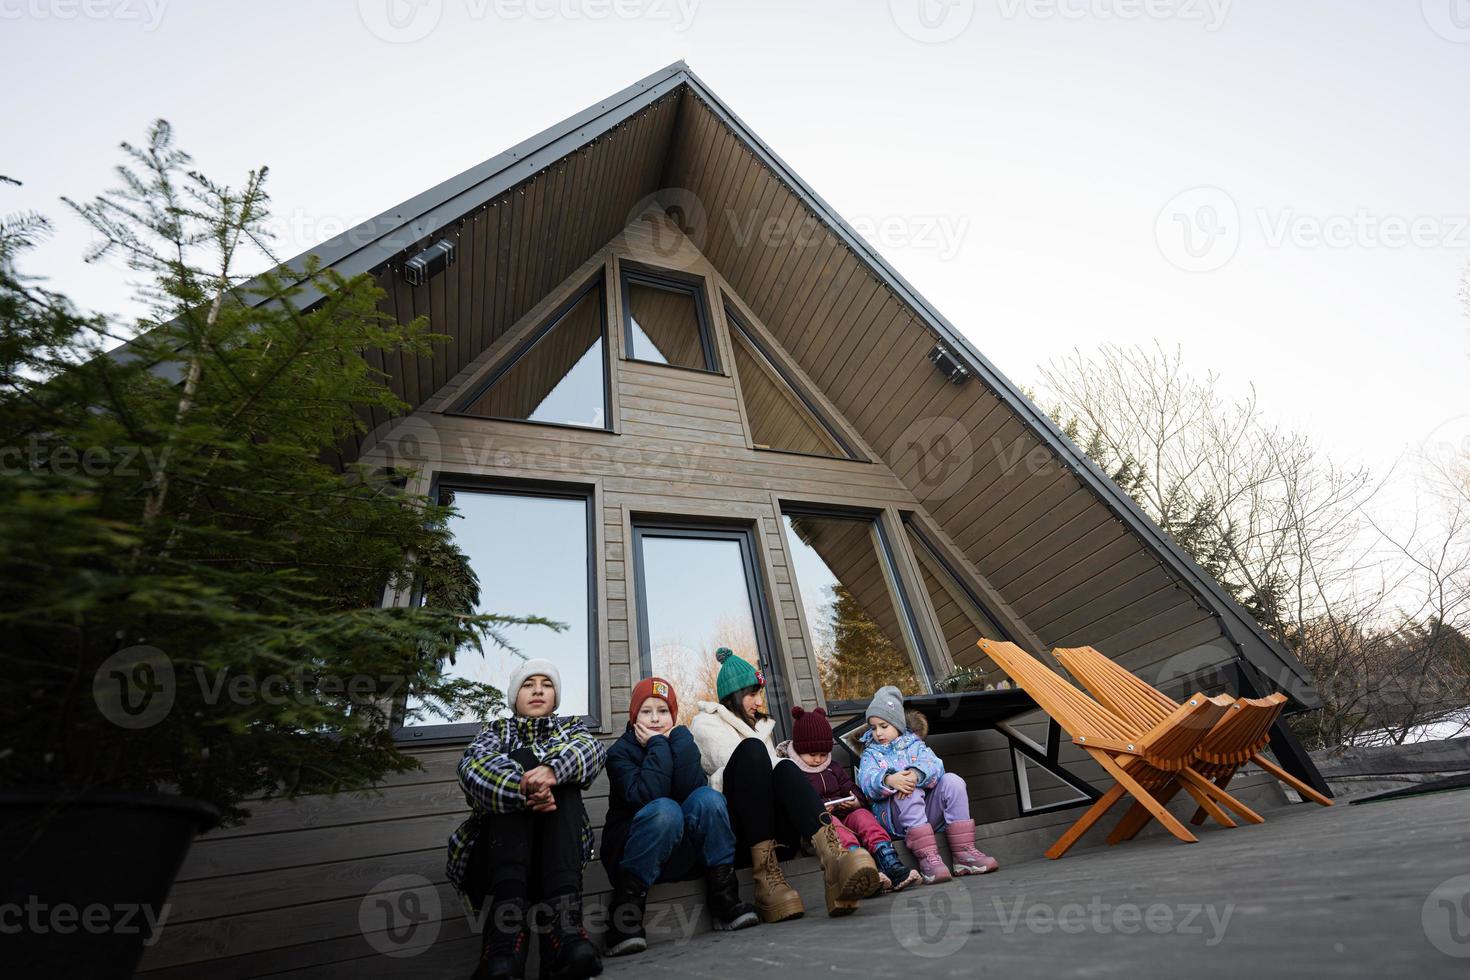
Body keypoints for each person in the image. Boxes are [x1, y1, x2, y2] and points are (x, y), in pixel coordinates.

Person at [447, 659, 608, 980]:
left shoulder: (571, 728)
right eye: (528, 684)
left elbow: (591, 750)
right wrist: (521, 788)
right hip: (493, 859)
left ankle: (564, 934)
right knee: (521, 763)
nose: (537, 690)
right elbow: (473, 769)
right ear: (514, 695)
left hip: (557, 857)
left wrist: (551, 774)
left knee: (560, 775)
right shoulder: (494, 731)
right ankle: (504, 944)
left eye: (546, 684)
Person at [689, 648, 880, 918]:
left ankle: (834, 860)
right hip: (740, 837)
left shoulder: (760, 727)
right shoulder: (705, 725)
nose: (758, 702)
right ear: (733, 696)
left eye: (760, 694)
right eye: (752, 694)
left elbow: (772, 773)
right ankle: (765, 880)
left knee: (786, 766)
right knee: (755, 754)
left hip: (777, 835)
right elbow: (744, 770)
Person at [599, 676, 758, 956]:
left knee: (709, 797)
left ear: (672, 715)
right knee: (666, 810)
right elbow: (647, 797)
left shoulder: (681, 739)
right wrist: (659, 745)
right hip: (635, 854)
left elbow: (691, 792)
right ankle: (625, 917)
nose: (655, 719)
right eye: (646, 712)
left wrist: (680, 740)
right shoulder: (619, 754)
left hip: (681, 853)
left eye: (663, 711)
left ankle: (724, 898)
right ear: (634, 716)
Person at [856, 686, 1000, 884]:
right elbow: (865, 781)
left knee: (953, 781)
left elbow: (935, 765)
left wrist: (916, 774)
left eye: (884, 725)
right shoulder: (871, 754)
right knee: (908, 791)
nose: (878, 732)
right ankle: (928, 859)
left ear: (898, 724)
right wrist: (889, 779)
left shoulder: (914, 744)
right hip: (895, 817)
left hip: (926, 813)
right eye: (873, 728)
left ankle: (964, 854)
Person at [776, 705, 921, 893]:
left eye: (823, 754)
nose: (819, 760)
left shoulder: (832, 767)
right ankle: (859, 868)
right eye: (812, 755)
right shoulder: (793, 771)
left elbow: (852, 788)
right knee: (833, 823)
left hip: (846, 814)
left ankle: (889, 860)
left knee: (863, 815)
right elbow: (795, 805)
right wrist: (816, 810)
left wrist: (855, 800)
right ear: (798, 749)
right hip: (819, 831)